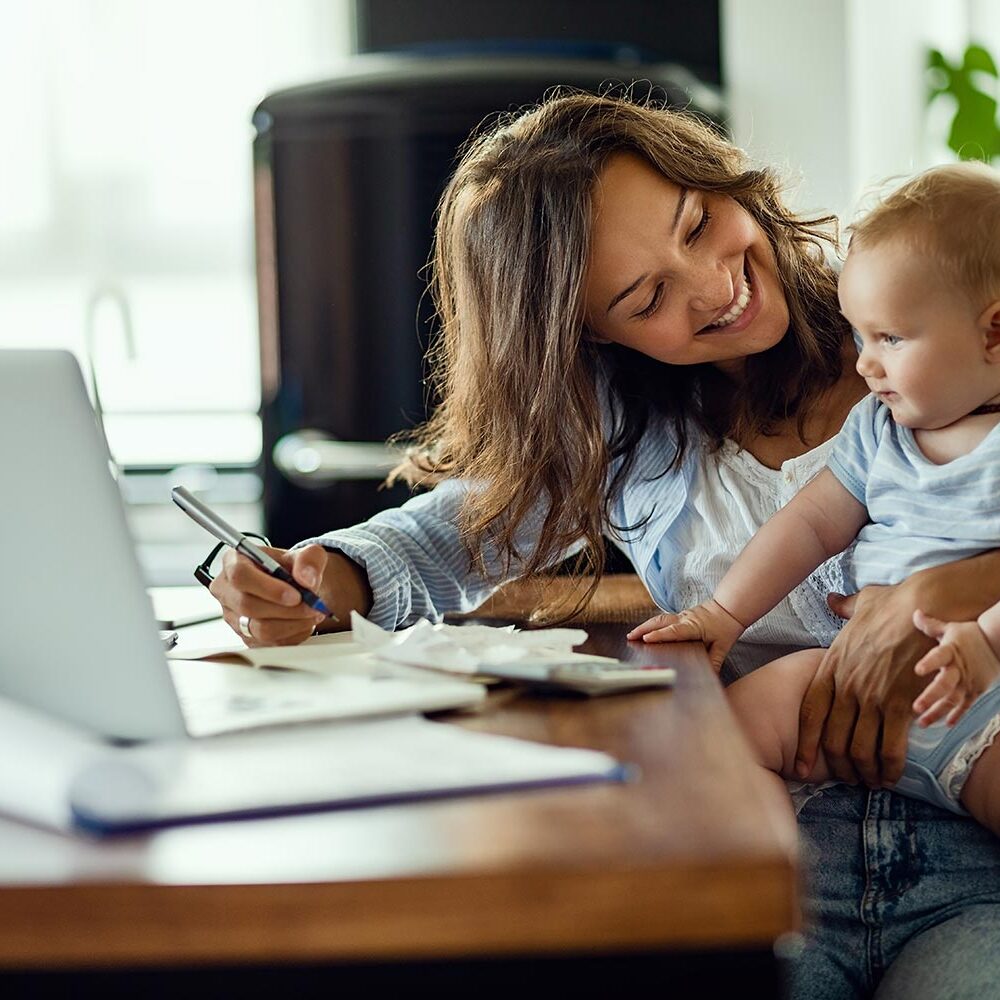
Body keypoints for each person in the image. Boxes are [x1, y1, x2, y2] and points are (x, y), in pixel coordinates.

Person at [206, 94, 1000, 998]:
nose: (713, 284)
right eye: (648, 296)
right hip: (774, 858)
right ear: (590, 331)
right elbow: (447, 535)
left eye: (700, 223)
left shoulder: (921, 321)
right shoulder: (627, 433)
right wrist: (316, 576)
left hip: (973, 854)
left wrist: (946, 591)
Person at [629, 163, 1000, 835]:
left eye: (890, 338)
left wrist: (985, 640)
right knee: (726, 736)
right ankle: (778, 887)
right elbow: (809, 523)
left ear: (993, 333)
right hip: (844, 683)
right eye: (859, 337)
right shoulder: (877, 432)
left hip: (983, 698)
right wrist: (723, 612)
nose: (864, 364)